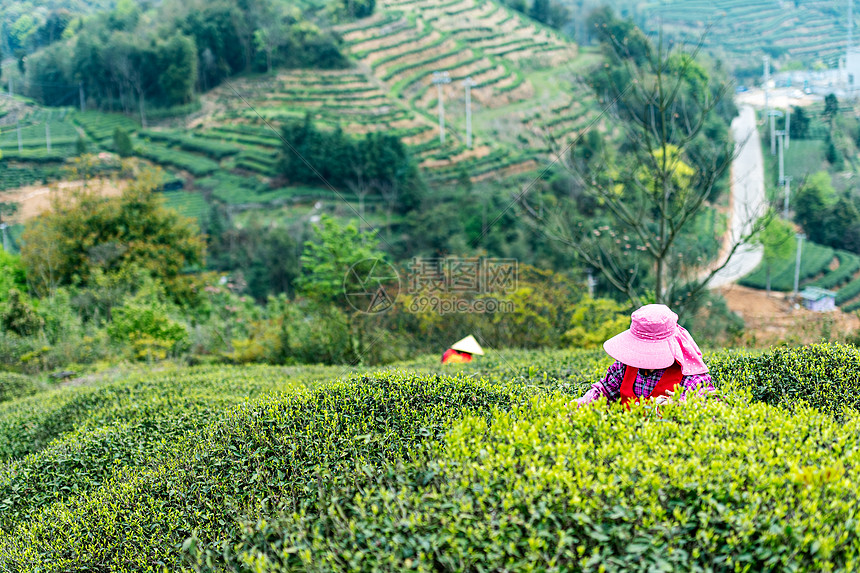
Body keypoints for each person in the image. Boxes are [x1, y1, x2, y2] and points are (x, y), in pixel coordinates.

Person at [574, 304, 715, 409]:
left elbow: (713, 405)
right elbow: (603, 391)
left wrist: (683, 404)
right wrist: (577, 406)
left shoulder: (688, 376)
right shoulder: (623, 367)